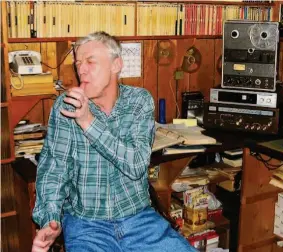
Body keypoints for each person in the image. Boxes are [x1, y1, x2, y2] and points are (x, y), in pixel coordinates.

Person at [32, 31, 197, 252]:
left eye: (91, 61)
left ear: (116, 65)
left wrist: (88, 121)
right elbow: (54, 168)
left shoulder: (139, 101)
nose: (81, 69)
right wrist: (50, 219)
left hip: (139, 220)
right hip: (86, 225)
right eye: (79, 63)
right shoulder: (67, 105)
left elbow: (136, 165)